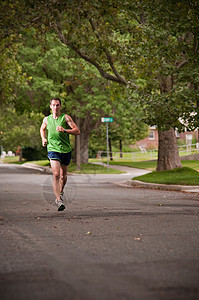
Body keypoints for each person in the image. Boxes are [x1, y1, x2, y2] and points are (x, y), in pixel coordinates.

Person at [40, 98, 80, 211]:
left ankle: (61, 192)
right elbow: (42, 128)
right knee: (56, 174)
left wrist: (65, 130)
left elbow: (77, 131)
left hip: (65, 150)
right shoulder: (46, 119)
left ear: (60, 107)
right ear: (50, 106)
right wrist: (43, 138)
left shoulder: (65, 117)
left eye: (57, 105)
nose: (55, 107)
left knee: (63, 176)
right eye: (53, 105)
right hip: (53, 149)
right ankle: (58, 200)